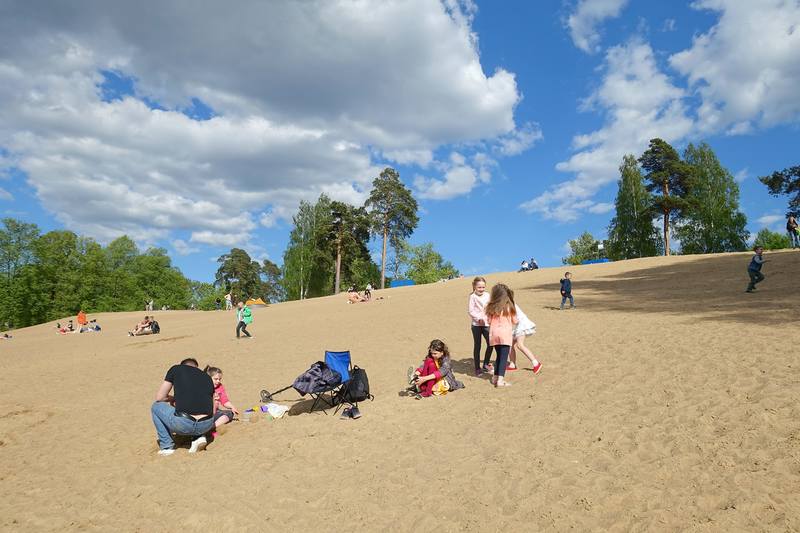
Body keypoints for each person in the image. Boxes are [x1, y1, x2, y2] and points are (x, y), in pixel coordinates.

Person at [151, 357, 215, 456]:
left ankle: (167, 446)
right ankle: (198, 437)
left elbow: (160, 397)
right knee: (197, 408)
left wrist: (173, 399)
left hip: (185, 423)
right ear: (196, 367)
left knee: (156, 406)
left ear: (182, 365)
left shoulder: (176, 369)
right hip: (206, 425)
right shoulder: (207, 377)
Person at [486, 283, 518, 387]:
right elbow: (515, 321)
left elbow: (489, 321)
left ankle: (495, 378)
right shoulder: (509, 307)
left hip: (494, 334)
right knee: (503, 358)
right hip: (505, 335)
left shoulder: (491, 307)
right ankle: (500, 380)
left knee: (499, 356)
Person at [507, 295, 543, 374]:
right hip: (518, 325)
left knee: (520, 345)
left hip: (522, 324)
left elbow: (515, 320)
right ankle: (512, 364)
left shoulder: (509, 305)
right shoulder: (507, 304)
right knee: (510, 344)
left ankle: (536, 363)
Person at [468, 276, 493, 376]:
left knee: (491, 344)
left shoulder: (488, 295)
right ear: (474, 287)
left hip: (487, 324)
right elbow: (470, 311)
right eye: (479, 287)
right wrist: (478, 319)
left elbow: (491, 307)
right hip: (476, 325)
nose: (481, 289)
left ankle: (486, 364)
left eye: (483, 287)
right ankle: (477, 368)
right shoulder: (472, 296)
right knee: (477, 346)